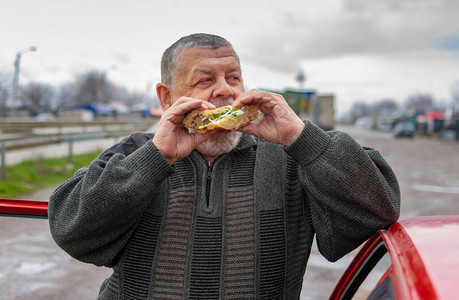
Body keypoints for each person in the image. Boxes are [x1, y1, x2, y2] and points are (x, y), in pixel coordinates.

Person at [48, 33, 400, 299]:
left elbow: (376, 210)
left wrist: (301, 137)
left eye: (234, 78)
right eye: (205, 80)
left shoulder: (293, 156)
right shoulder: (136, 153)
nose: (225, 91)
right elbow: (72, 230)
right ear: (166, 97)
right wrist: (156, 159)